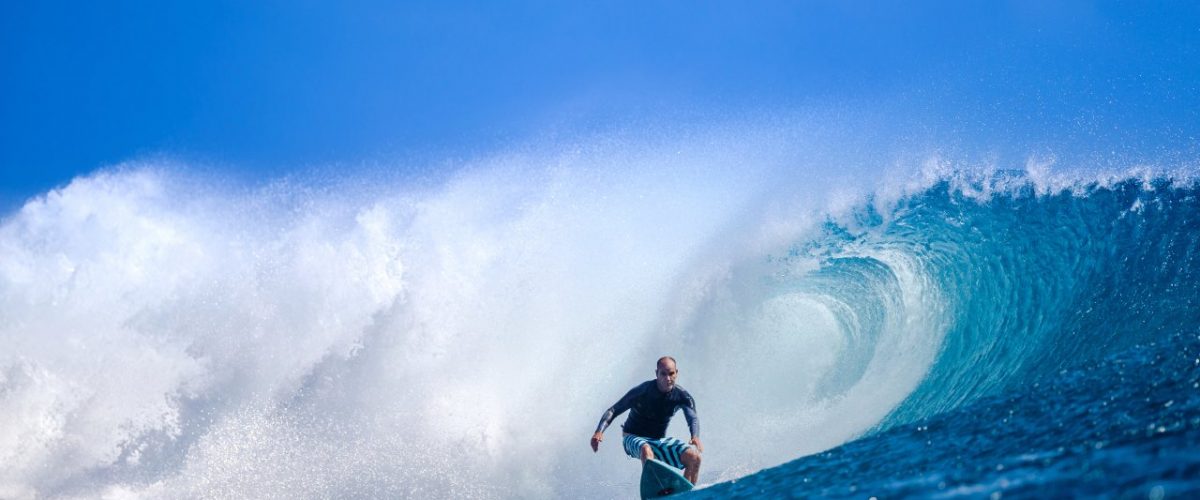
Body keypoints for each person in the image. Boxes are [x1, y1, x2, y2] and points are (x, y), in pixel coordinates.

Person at [590, 356, 703, 483]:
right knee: (646, 449)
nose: (668, 378)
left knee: (695, 458)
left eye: (671, 374)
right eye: (663, 374)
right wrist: (599, 431)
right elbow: (614, 410)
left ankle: (686, 493)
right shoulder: (643, 391)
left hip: (658, 441)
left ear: (677, 373)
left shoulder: (683, 397)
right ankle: (655, 489)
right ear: (656, 374)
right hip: (632, 437)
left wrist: (695, 436)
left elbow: (692, 417)